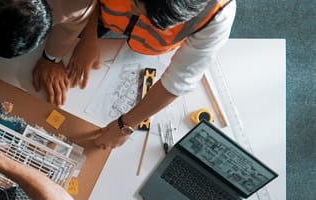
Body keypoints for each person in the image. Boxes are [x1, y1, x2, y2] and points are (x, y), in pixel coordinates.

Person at [67, 0, 236, 150]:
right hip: (96, 14)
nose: (133, 9)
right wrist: (89, 37)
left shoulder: (218, 15)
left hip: (147, 46)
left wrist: (125, 126)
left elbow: (178, 80)